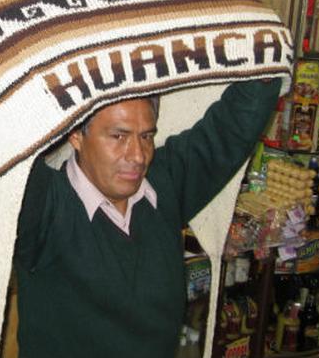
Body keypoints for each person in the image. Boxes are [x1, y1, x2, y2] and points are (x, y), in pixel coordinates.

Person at [14, 80, 280, 358]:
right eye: (118, 136)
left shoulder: (164, 184)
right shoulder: (44, 207)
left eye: (146, 137)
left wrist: (268, 43)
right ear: (76, 135)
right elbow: (0, 140)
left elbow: (236, 125)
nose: (138, 156)